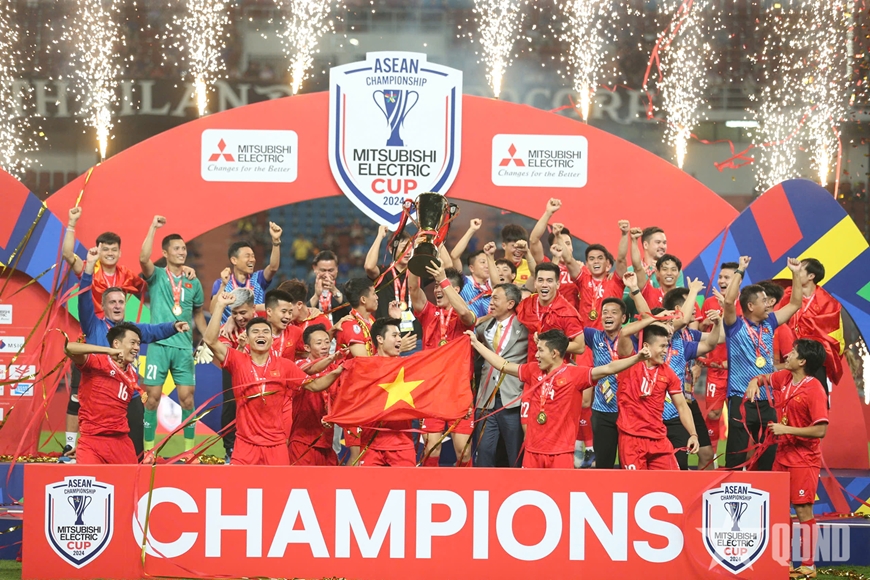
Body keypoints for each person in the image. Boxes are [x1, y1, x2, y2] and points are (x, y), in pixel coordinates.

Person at [68, 247, 188, 459]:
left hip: (127, 394)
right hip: (100, 393)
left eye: (121, 302)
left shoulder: (131, 330)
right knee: (98, 441)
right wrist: (89, 268)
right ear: (103, 306)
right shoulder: (93, 326)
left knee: (136, 452)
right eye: (112, 302)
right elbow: (84, 300)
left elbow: (153, 331)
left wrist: (173, 326)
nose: (117, 306)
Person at [468, 328, 649, 468]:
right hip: (532, 452)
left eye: (540, 350)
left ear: (554, 353)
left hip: (561, 454)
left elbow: (608, 368)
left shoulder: (575, 375)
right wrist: (476, 344)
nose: (536, 355)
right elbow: (503, 365)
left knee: (559, 500)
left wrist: (637, 358)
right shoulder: (533, 370)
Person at [204, 293, 343, 466]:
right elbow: (210, 340)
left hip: (276, 446)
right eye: (255, 332)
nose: (261, 335)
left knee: (279, 484)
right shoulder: (237, 361)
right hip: (245, 446)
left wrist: (338, 371)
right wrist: (220, 305)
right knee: (239, 484)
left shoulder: (285, 366)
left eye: (265, 332)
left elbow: (315, 385)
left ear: (271, 338)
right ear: (247, 338)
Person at [745, 339, 829, 578]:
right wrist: (754, 381)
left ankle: (808, 566)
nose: (787, 355)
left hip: (804, 459)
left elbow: (821, 430)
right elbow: (764, 378)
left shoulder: (814, 389)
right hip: (782, 456)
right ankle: (784, 562)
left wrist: (786, 430)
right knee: (780, 510)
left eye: (793, 352)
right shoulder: (785, 378)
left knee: (803, 511)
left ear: (802, 361)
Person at [723, 255, 803, 470]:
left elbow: (795, 303)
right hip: (740, 397)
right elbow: (729, 302)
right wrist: (740, 270)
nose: (769, 304)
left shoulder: (770, 323)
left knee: (769, 452)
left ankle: (764, 484)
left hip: (767, 399)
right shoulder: (734, 326)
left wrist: (795, 274)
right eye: (764, 300)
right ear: (750, 305)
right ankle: (732, 486)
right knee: (736, 455)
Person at [139, 215, 208, 463]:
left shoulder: (193, 281)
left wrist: (208, 340)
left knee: (187, 398)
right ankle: (149, 451)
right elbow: (143, 259)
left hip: (183, 348)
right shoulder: (157, 276)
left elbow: (198, 313)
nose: (182, 252)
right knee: (152, 399)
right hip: (158, 345)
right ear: (165, 253)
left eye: (184, 248)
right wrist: (152, 227)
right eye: (177, 249)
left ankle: (189, 451)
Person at [584, 273, 662, 469]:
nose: (608, 316)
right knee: (603, 466)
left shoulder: (633, 338)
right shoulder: (593, 336)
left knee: (630, 464)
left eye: (614, 312)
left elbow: (648, 318)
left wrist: (634, 288)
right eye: (605, 312)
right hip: (602, 411)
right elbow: (571, 332)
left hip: (630, 411)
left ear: (624, 318)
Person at [409, 261, 477, 466]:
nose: (437, 290)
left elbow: (465, 314)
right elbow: (413, 289)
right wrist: (416, 257)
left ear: (455, 289)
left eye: (441, 286)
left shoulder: (465, 315)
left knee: (463, 451)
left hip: (459, 391)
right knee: (431, 448)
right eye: (436, 286)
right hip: (432, 391)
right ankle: (429, 484)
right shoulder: (429, 313)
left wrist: (443, 280)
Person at [616, 324, 700, 470]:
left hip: (658, 439)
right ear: (646, 346)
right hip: (632, 439)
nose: (665, 351)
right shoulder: (629, 363)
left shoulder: (668, 373)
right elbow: (623, 333)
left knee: (671, 480)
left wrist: (693, 434)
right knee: (636, 484)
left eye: (666, 346)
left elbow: (682, 406)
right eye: (661, 346)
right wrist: (655, 319)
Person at [660, 284, 723, 470]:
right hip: (667, 403)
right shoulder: (665, 331)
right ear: (678, 309)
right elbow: (683, 319)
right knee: (676, 459)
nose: (696, 308)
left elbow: (718, 339)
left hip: (688, 399)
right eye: (691, 303)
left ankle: (703, 490)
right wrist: (694, 290)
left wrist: (719, 320)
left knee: (706, 453)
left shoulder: (690, 334)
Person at [63, 322, 144, 464]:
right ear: (116, 344)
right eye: (132, 343)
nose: (137, 347)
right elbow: (68, 348)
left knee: (133, 478)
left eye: (138, 344)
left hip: (121, 442)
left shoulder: (132, 375)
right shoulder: (97, 362)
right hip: (92, 441)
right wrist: (108, 351)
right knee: (90, 478)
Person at [473, 283, 528, 467]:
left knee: (515, 454)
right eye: (491, 298)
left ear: (510, 304)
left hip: (513, 399)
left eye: (496, 298)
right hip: (486, 400)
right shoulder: (483, 328)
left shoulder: (525, 327)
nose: (491, 302)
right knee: (484, 452)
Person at [62, 206, 147, 316]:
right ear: (98, 252)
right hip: (93, 325)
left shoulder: (126, 274)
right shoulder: (89, 270)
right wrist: (71, 224)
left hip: (117, 326)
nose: (110, 253)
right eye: (105, 250)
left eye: (114, 250)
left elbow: (150, 288)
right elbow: (67, 254)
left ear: (120, 253)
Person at [777, 258, 844, 393]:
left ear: (811, 276)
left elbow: (833, 337)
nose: (796, 272)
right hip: (789, 355)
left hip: (813, 357)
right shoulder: (788, 296)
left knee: (816, 395)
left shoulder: (829, 303)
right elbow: (777, 322)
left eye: (800, 270)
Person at [357, 318, 418, 467]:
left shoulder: (410, 367)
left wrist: (456, 408)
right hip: (371, 444)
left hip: (402, 445)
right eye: (394, 335)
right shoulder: (364, 369)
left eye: (399, 335)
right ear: (380, 339)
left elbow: (432, 394)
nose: (399, 339)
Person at [698, 261, 739, 450]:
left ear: (737, 281)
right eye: (720, 277)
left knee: (738, 416)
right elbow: (699, 330)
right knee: (713, 414)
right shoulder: (709, 302)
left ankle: (738, 458)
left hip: (738, 371)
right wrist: (706, 322)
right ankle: (711, 457)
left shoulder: (744, 303)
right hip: (715, 369)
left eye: (726, 278)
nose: (721, 281)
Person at [215, 288, 258, 462]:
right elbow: (228, 359)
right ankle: (230, 450)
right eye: (234, 313)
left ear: (253, 309)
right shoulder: (226, 331)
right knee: (231, 405)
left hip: (261, 374)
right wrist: (240, 348)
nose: (239, 317)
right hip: (236, 374)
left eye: (243, 313)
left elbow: (278, 306)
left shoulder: (265, 323)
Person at [289, 324, 341, 466]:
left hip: (327, 443)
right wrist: (334, 360)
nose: (324, 346)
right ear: (307, 347)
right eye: (319, 343)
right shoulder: (299, 366)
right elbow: (313, 369)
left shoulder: (335, 369)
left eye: (327, 342)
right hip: (303, 441)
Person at [211, 226, 282, 323]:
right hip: (229, 331)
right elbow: (213, 311)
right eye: (247, 256)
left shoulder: (258, 279)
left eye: (253, 256)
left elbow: (273, 268)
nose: (252, 260)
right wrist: (223, 285)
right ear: (234, 260)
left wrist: (276, 241)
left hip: (254, 330)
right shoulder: (221, 283)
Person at [517, 262, 586, 361]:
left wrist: (549, 344)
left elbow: (580, 347)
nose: (544, 285)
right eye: (540, 280)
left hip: (556, 369)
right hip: (531, 367)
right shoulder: (527, 304)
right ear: (535, 283)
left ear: (557, 284)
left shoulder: (567, 313)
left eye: (549, 281)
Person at [279, 279, 332, 358]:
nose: (284, 314)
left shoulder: (321, 321)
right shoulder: (281, 322)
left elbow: (324, 354)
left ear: (299, 305)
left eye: (286, 308)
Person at [307, 251, 350, 324]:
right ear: (315, 268)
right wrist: (316, 296)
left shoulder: (346, 289)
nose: (327, 274)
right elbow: (301, 315)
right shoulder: (306, 290)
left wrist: (335, 291)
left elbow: (353, 312)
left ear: (337, 269)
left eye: (330, 270)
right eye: (323, 270)